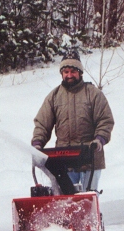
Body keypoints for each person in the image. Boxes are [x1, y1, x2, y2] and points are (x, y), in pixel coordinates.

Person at [32, 52, 114, 192]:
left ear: (80, 73)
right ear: (62, 74)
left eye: (73, 71)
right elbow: (42, 123)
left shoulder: (93, 93)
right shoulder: (54, 96)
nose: (69, 75)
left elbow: (105, 120)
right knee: (67, 199)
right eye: (66, 72)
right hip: (65, 159)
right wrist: (38, 143)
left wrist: (99, 139)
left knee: (88, 197)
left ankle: (91, 213)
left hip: (90, 157)